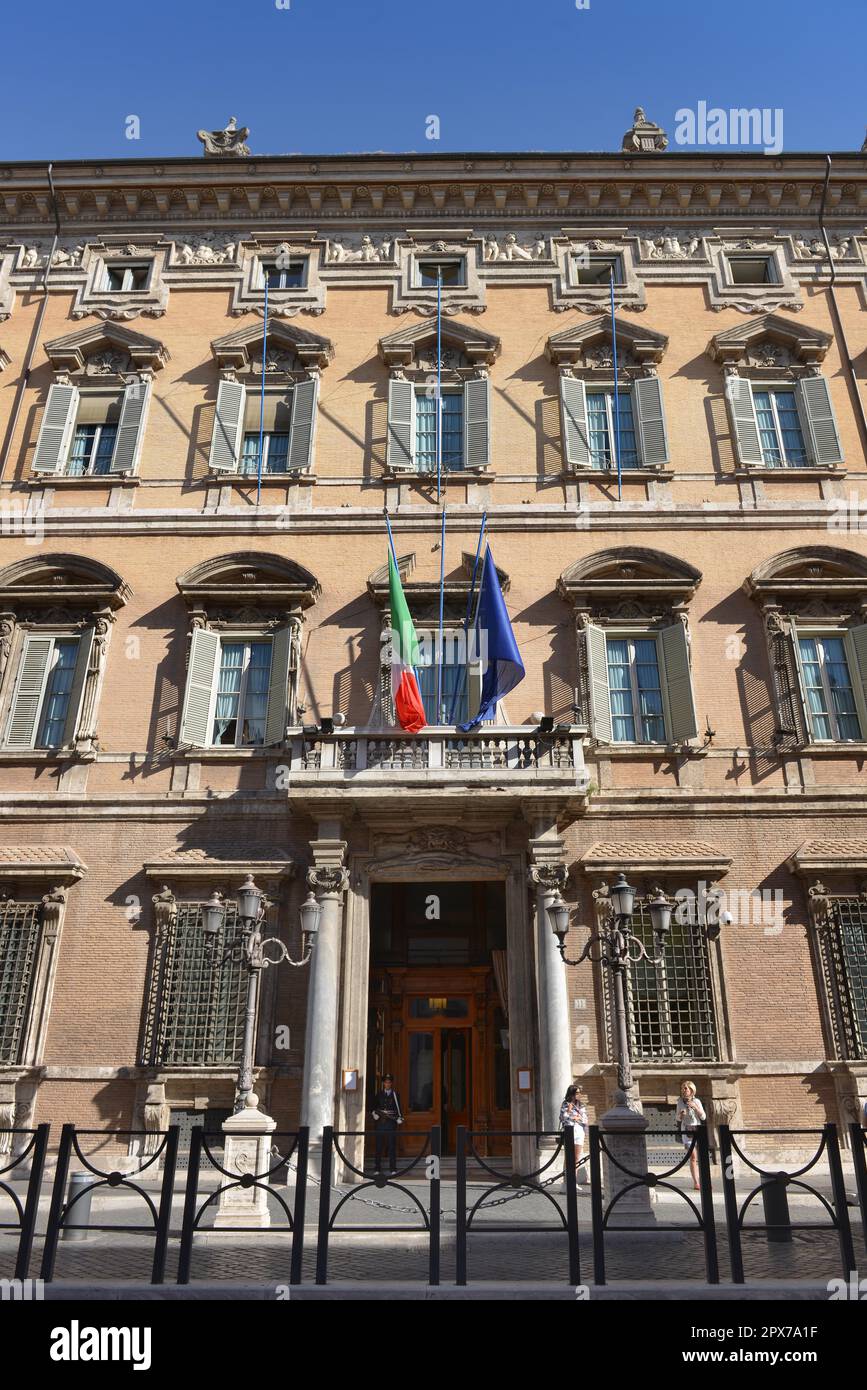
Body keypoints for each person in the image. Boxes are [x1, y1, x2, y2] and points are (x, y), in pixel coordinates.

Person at [676, 1080, 707, 1191]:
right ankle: (696, 1182)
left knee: (702, 1157)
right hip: (687, 1131)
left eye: (686, 1088)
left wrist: (696, 1108)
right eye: (683, 1088)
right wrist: (681, 1114)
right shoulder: (679, 1102)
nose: (684, 1090)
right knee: (693, 1157)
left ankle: (705, 1180)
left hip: (697, 1130)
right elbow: (677, 1118)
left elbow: (703, 1117)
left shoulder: (697, 1101)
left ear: (691, 1090)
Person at [371, 1073, 403, 1176]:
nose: (387, 1084)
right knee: (378, 1146)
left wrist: (399, 1118)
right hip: (380, 1123)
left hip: (391, 1123)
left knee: (391, 1146)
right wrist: (373, 1114)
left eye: (389, 1082)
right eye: (386, 1082)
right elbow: (373, 1107)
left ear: (391, 1083)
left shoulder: (395, 1094)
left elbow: (398, 1108)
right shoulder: (379, 1094)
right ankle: (377, 1168)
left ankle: (393, 1169)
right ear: (383, 1083)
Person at [559, 1085, 589, 1181]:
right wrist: (569, 1111)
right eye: (576, 1093)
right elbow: (563, 1117)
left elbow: (585, 1118)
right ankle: (566, 1181)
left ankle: (573, 1181)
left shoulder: (581, 1105)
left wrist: (576, 1117)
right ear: (571, 1094)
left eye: (579, 1093)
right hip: (569, 1131)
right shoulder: (565, 1104)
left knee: (576, 1157)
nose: (578, 1095)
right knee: (568, 1157)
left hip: (579, 1132)